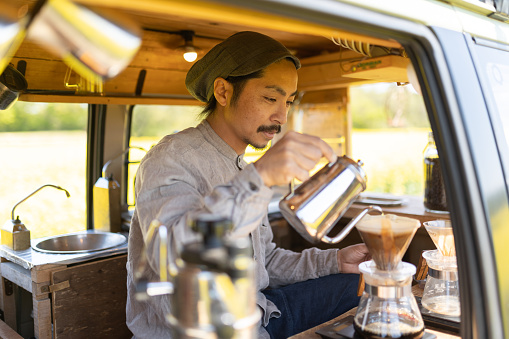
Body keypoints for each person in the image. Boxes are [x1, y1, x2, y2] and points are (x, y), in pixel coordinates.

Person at [126, 31, 371, 339]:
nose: (281, 116)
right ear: (223, 92)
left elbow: (263, 261)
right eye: (270, 98)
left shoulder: (240, 164)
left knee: (361, 288)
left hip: (260, 314)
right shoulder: (171, 159)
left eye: (289, 102)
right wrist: (261, 176)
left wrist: (334, 259)